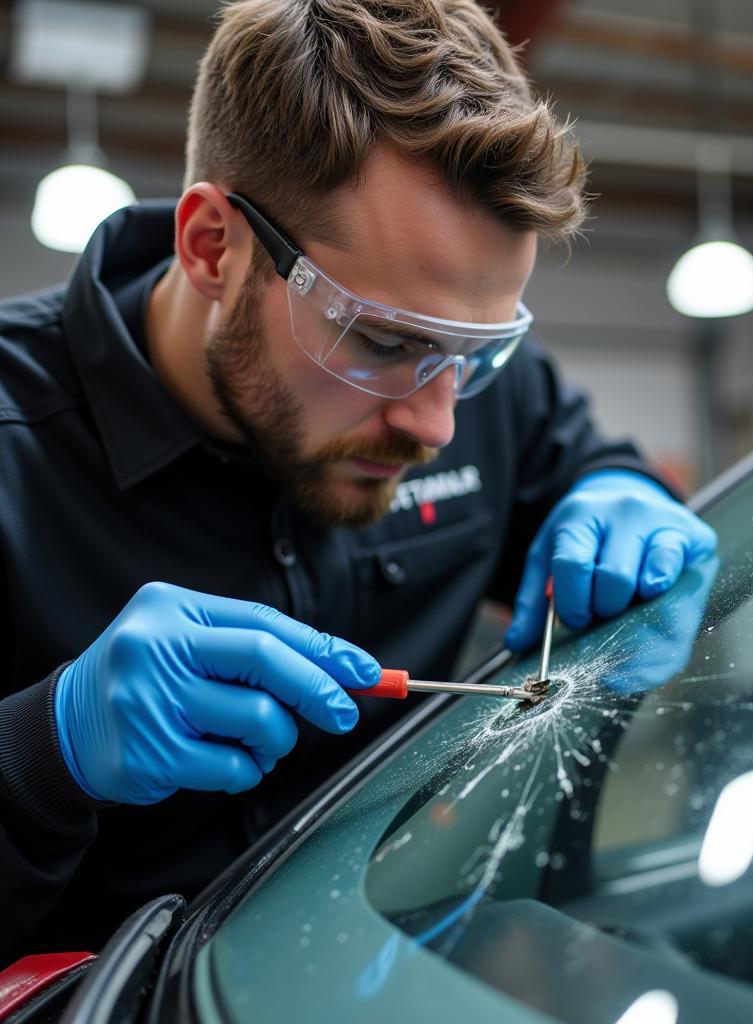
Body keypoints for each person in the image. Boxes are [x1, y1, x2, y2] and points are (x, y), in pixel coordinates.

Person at [0, 0, 716, 959]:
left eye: (480, 351)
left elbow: (585, 465)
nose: (438, 421)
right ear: (215, 246)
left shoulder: (470, 388)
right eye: (383, 341)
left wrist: (630, 497)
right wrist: (40, 756)